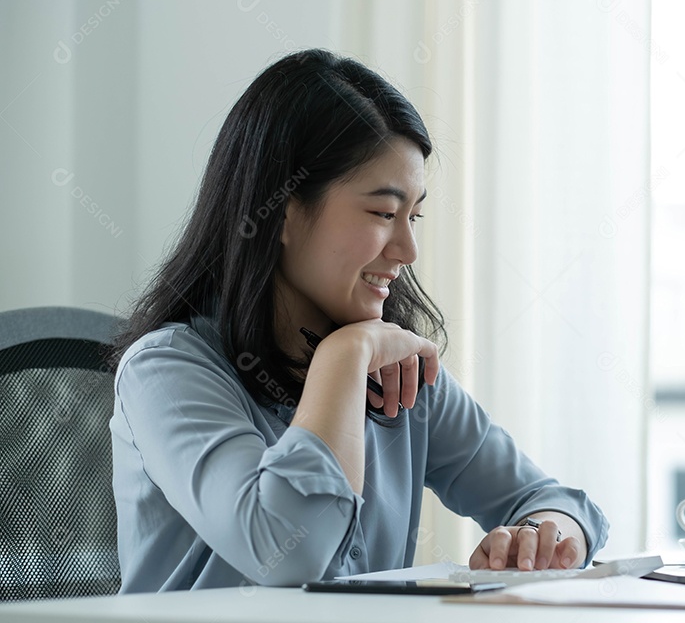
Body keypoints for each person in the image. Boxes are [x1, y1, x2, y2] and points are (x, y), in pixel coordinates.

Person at [109, 48, 609, 592]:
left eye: (414, 215)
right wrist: (343, 359)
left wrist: (542, 535)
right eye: (383, 213)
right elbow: (288, 554)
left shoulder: (400, 372)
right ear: (282, 213)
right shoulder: (164, 372)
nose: (408, 248)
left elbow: (555, 503)